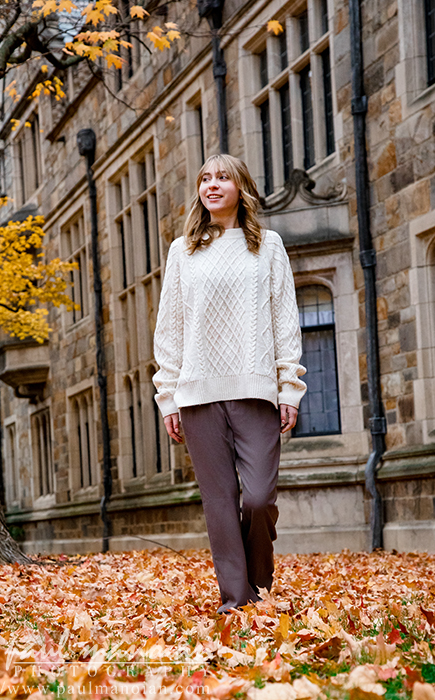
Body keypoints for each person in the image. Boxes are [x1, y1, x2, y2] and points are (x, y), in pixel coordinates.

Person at [152, 154, 306, 614]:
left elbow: (285, 321)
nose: (211, 185)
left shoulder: (268, 246)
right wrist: (168, 398)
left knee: (258, 497)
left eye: (222, 178)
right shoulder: (183, 251)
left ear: (242, 187)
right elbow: (170, 328)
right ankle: (235, 601)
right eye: (205, 179)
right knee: (219, 504)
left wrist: (289, 388)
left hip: (255, 390)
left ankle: (259, 581)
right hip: (198, 395)